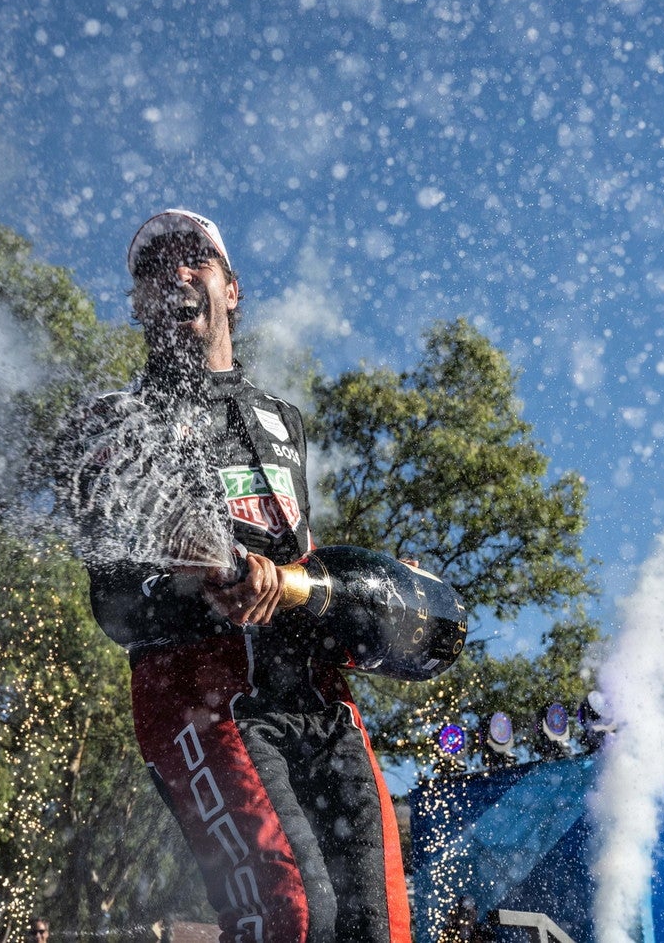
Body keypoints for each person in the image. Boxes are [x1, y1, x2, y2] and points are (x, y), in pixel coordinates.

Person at [58, 209, 410, 943]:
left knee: (377, 925)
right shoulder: (112, 423)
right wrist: (196, 587)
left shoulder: (283, 419)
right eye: (154, 270)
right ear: (137, 305)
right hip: (198, 693)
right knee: (292, 914)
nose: (175, 275)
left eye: (195, 260)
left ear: (231, 288)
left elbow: (303, 555)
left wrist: (352, 591)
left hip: (316, 691)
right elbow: (113, 605)